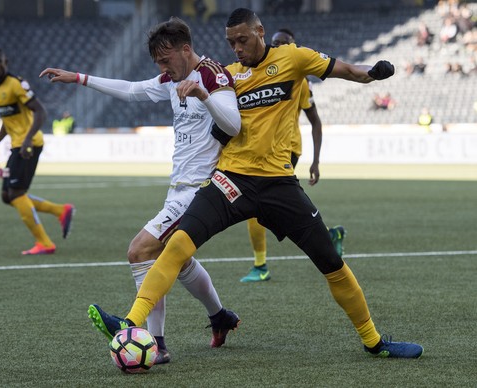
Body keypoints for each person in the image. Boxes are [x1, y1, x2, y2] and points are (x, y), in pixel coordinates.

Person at [87, 8, 424, 359]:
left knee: (331, 263)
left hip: (279, 183)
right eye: (231, 42)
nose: (236, 48)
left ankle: (374, 341)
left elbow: (349, 70)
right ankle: (131, 325)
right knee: (175, 246)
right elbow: (218, 122)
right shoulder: (227, 76)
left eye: (242, 40)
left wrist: (373, 74)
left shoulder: (292, 58)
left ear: (260, 31)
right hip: (230, 180)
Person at [40, 17, 241, 363]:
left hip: (201, 189)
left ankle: (154, 343)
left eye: (166, 61)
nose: (163, 69)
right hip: (178, 188)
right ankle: (219, 316)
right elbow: (132, 90)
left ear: (186, 49)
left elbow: (234, 126)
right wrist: (80, 79)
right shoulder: (170, 80)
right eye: (158, 64)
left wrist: (204, 95)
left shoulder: (211, 75)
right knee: (177, 261)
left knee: (140, 250)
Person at [240, 28, 345, 283]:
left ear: (293, 46)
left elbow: (316, 122)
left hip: (287, 149)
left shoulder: (299, 78)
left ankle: (260, 265)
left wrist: (316, 161)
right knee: (273, 211)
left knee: (256, 208)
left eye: (283, 43)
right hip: (265, 149)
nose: (277, 47)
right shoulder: (260, 72)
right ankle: (329, 235)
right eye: (274, 43)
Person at [0, 48, 75, 255]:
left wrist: (26, 141)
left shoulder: (16, 84)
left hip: (29, 145)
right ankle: (61, 210)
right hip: (17, 145)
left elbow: (40, 112)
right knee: (7, 196)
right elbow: (8, 121)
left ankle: (44, 242)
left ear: (6, 63)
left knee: (16, 193)